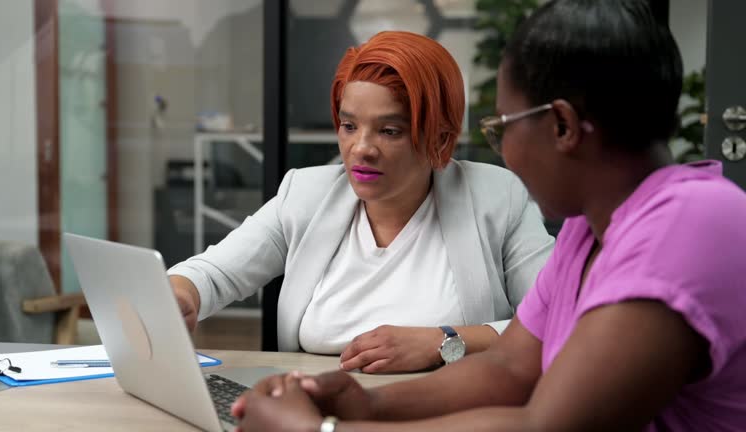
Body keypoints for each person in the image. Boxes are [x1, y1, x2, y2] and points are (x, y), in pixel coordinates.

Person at [230, 0, 746, 430]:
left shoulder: (692, 224)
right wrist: (368, 403)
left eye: (502, 128)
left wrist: (325, 431)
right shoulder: (588, 231)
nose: (502, 155)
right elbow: (510, 366)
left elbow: (542, 426)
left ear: (562, 126)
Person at [169, 31, 553, 373]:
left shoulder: (497, 197)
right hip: (318, 408)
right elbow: (213, 274)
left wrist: (445, 341)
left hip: (450, 410)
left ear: (439, 137)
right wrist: (183, 292)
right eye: (349, 126)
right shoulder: (306, 194)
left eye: (389, 131)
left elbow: (558, 316)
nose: (361, 149)